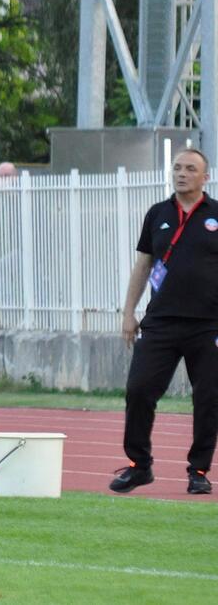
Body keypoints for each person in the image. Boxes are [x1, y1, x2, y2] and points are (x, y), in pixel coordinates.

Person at [110, 148, 218, 495]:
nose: (182, 173)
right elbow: (143, 265)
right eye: (177, 168)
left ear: (206, 177)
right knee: (139, 390)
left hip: (209, 325)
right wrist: (129, 313)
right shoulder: (157, 214)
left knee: (208, 399)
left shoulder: (216, 215)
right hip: (160, 322)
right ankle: (139, 466)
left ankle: (199, 470)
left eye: (190, 169)